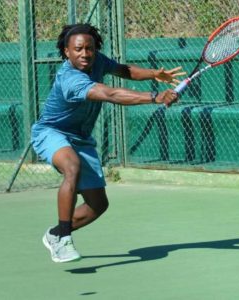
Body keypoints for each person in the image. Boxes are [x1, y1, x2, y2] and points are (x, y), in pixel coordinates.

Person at [31, 23, 185, 263]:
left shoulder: (97, 61)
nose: (85, 54)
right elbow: (110, 94)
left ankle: (55, 234)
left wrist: (154, 74)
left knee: (97, 205)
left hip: (81, 138)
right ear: (66, 52)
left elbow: (125, 70)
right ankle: (63, 240)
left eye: (89, 48)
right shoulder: (70, 79)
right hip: (52, 132)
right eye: (78, 49)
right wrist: (154, 97)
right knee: (71, 167)